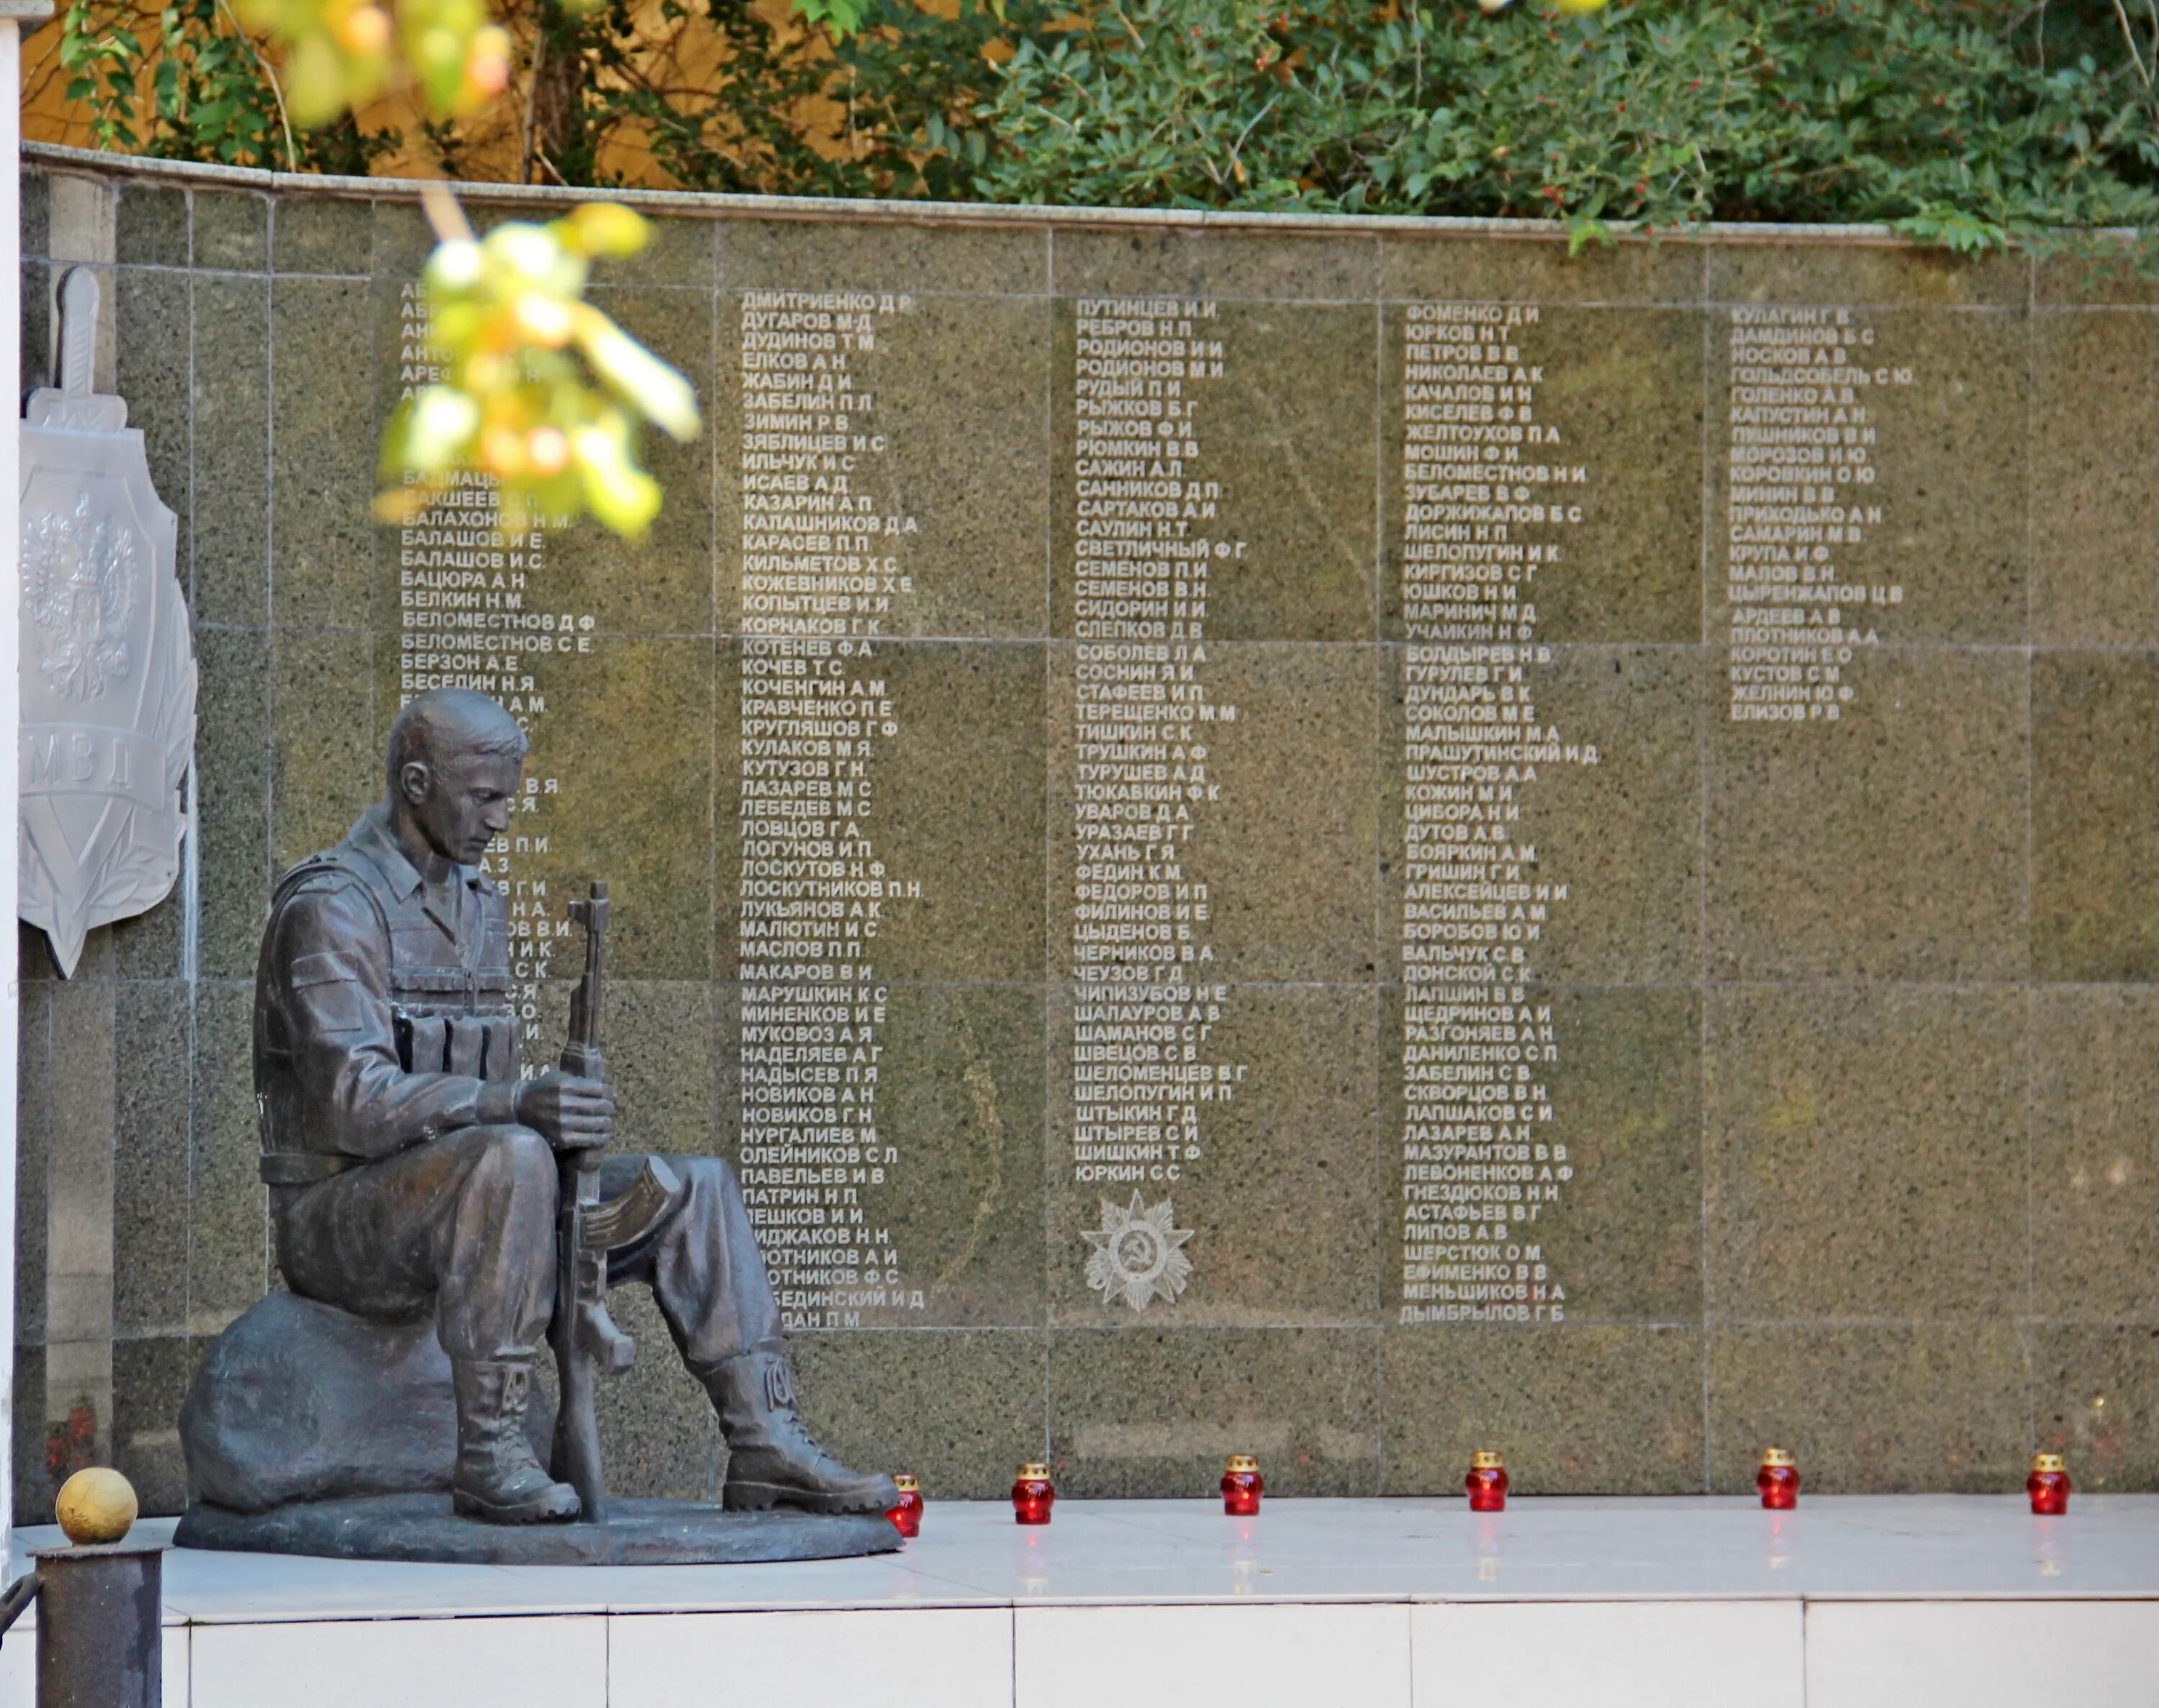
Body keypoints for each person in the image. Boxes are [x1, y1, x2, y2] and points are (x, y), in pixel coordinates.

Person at [253, 687, 895, 1524]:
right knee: (511, 1152)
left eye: (508, 798)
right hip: (342, 1224)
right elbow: (352, 1101)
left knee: (694, 1186)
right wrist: (518, 1104)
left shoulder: (477, 904)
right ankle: (487, 1448)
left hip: (470, 1195)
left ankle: (765, 1437)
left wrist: (566, 1123)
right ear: (416, 784)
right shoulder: (332, 906)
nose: (502, 819)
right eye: (484, 798)